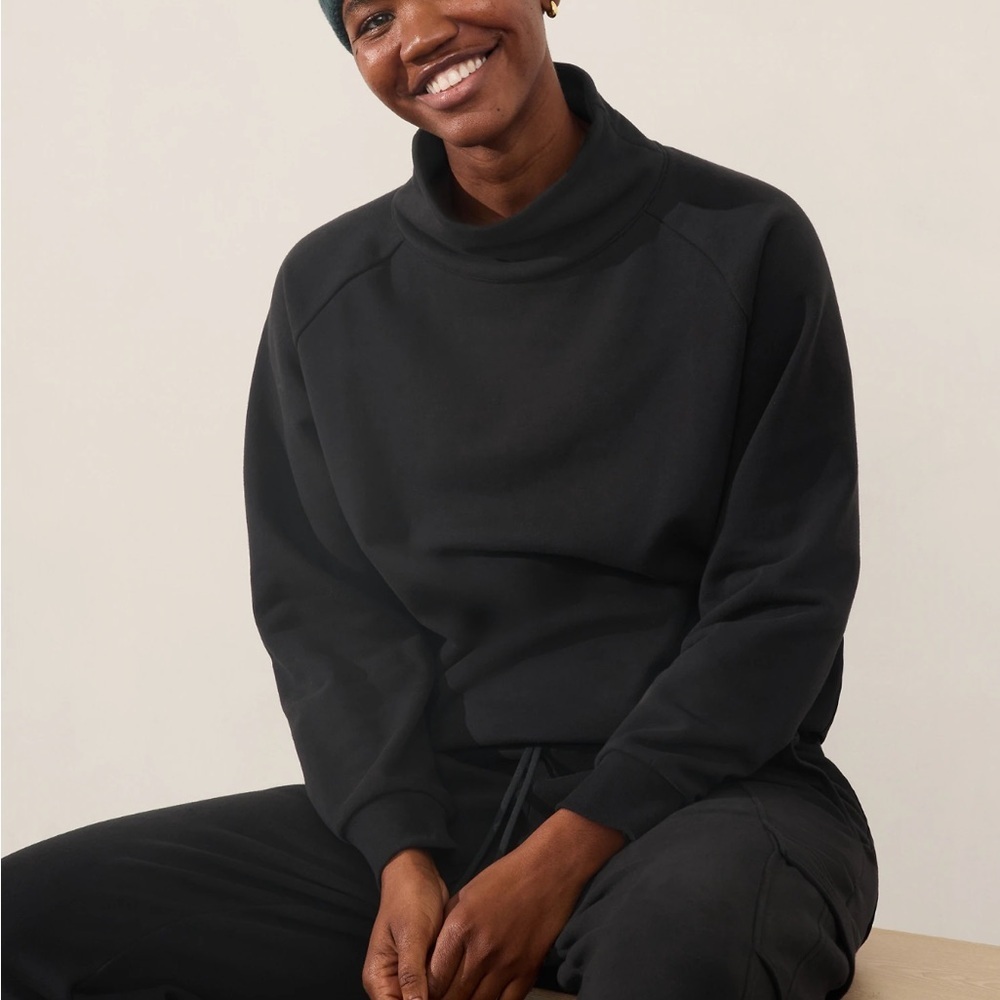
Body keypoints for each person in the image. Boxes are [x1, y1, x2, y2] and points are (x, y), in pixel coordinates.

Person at [2, 2, 878, 998]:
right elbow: (323, 615)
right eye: (373, 17)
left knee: (678, 957)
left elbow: (779, 601)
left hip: (711, 800)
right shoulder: (329, 289)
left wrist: (560, 857)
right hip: (438, 813)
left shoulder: (742, 241)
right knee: (25, 919)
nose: (418, 35)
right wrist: (398, 852)